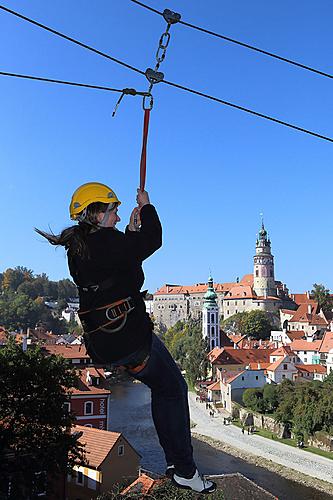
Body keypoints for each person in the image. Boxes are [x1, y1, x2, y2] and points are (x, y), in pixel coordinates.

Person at [36, 182, 216, 495]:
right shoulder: (105, 242)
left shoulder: (82, 247)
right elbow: (153, 241)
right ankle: (184, 469)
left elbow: (126, 264)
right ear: (96, 213)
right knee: (173, 388)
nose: (118, 217)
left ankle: (178, 464)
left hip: (105, 341)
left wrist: (131, 232)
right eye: (114, 211)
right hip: (128, 337)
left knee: (165, 387)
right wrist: (146, 207)